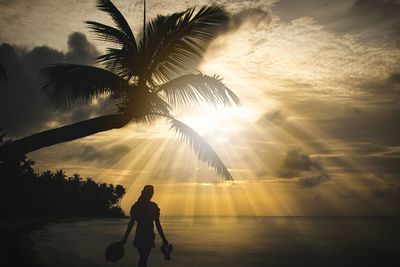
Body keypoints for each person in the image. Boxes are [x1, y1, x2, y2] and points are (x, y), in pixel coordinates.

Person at [121, 185, 168, 267]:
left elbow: (157, 224)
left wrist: (164, 239)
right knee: (144, 258)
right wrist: (125, 237)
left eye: (152, 192)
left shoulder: (141, 206)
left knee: (143, 258)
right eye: (150, 192)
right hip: (145, 236)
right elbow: (132, 223)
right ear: (146, 193)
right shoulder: (148, 206)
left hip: (144, 235)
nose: (152, 193)